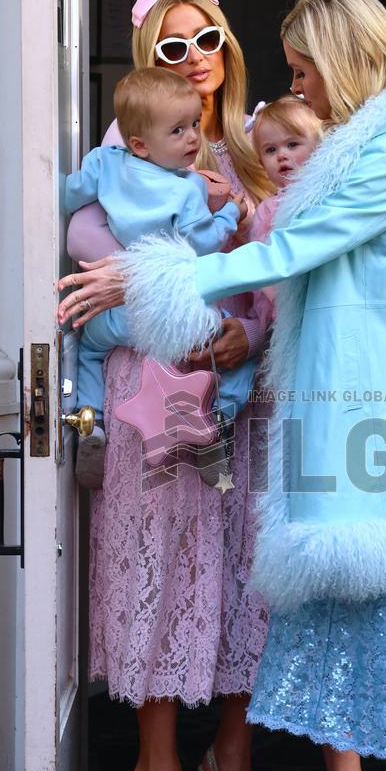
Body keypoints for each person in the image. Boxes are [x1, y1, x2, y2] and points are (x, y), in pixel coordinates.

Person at [76, 0, 386, 771]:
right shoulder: (358, 150)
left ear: (343, 59)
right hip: (330, 414)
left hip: (373, 421)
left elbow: (283, 255)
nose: (295, 84)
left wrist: (151, 276)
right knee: (331, 610)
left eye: (305, 68)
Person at [60, 0, 282, 771]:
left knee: (242, 580)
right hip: (153, 390)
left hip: (239, 394)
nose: (195, 59)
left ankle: (231, 760)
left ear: (228, 44)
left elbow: (280, 281)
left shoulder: (258, 145)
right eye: (172, 46)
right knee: (163, 574)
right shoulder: (125, 152)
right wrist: (185, 314)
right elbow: (95, 279)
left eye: (208, 39)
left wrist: (246, 336)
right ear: (147, 58)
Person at [65, 66, 256, 487]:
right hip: (173, 315)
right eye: (178, 130)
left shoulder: (104, 163)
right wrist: (231, 212)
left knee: (88, 351)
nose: (193, 138)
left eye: (194, 124)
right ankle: (219, 421)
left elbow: (68, 194)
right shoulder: (188, 189)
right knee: (237, 353)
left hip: (119, 314)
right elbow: (203, 244)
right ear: (140, 143)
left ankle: (91, 421)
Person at [246, 95, 322, 259]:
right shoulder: (266, 210)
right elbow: (262, 259)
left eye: (292, 144)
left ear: (319, 146)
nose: (281, 155)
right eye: (270, 150)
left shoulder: (328, 193)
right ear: (261, 162)